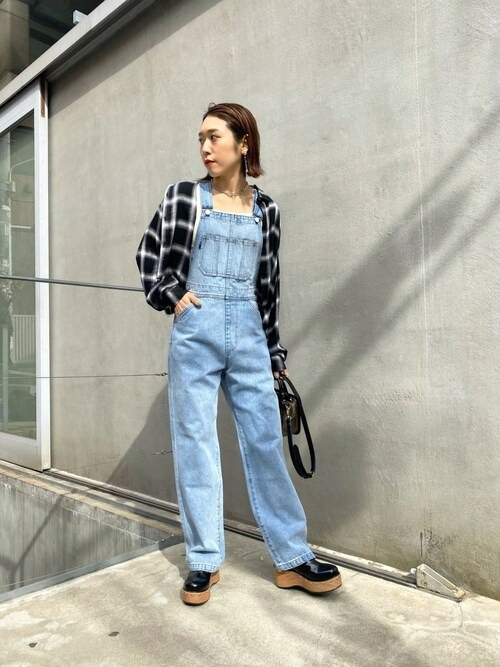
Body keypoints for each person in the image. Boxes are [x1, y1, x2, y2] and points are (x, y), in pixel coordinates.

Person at [136, 103, 342, 605]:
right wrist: (172, 295)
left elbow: (269, 286)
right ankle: (204, 560)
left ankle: (292, 557)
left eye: (214, 137)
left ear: (243, 142)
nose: (205, 148)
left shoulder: (267, 210)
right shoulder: (183, 197)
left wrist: (274, 351)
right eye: (200, 139)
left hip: (250, 332)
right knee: (195, 442)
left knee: (265, 441)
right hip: (196, 331)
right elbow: (148, 253)